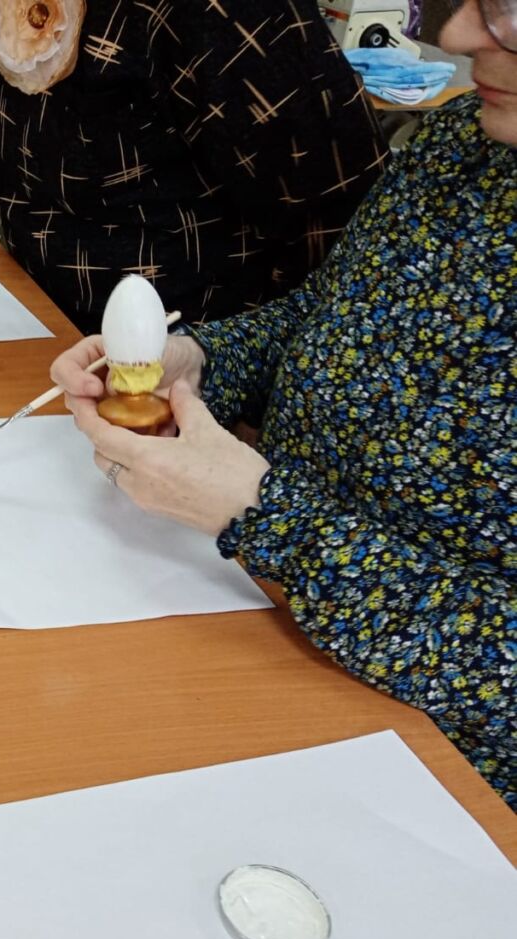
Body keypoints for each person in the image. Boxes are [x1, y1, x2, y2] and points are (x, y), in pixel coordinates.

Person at [51, 0, 517, 808]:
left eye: (508, 14)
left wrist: (264, 516)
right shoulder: (465, 144)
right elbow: (331, 317)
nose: (454, 36)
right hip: (265, 615)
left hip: (441, 773)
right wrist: (198, 360)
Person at [0, 0, 387, 332]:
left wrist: (246, 389)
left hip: (184, 362)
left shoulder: (222, 12)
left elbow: (347, 213)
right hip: (30, 315)